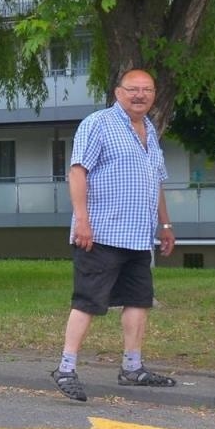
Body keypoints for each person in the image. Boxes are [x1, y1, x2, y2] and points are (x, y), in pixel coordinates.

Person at [51, 69, 177, 401]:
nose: (140, 95)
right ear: (118, 93)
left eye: (147, 90)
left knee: (139, 301)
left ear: (154, 94)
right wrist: (82, 220)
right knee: (89, 301)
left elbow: (156, 182)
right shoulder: (98, 124)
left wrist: (165, 225)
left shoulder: (149, 129)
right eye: (132, 89)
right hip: (101, 233)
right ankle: (65, 368)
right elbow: (77, 171)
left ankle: (132, 368)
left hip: (138, 236)